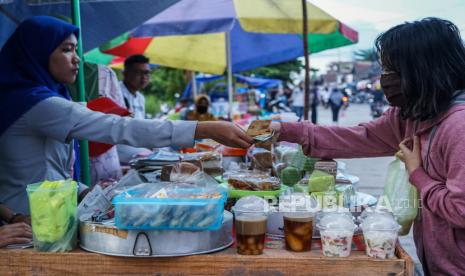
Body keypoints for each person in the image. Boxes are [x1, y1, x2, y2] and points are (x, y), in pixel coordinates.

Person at [0, 16, 253, 216]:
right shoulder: (36, 103)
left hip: (47, 213)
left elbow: (47, 171)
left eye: (76, 50)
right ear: (38, 54)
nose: (77, 59)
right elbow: (119, 127)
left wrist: (86, 191)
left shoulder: (30, 98)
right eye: (67, 50)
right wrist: (204, 129)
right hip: (31, 222)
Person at [270, 18, 465, 275]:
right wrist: (286, 130)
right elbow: (359, 137)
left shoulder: (458, 126)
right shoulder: (412, 115)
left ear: (420, 71)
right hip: (436, 263)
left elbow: (460, 210)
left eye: (390, 71)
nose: (384, 80)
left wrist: (417, 174)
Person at [120, 54, 150, 119]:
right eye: (138, 72)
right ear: (125, 73)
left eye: (146, 73)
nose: (144, 77)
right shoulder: (115, 93)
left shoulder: (141, 98)